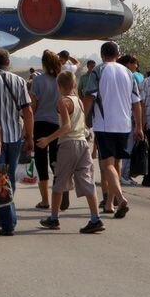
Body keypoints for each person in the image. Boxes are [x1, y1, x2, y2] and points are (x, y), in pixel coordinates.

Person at [37, 72, 104, 233]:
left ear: (59, 86)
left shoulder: (63, 102)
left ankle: (54, 217)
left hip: (68, 144)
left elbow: (66, 126)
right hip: (83, 143)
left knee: (59, 181)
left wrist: (48, 139)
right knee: (87, 181)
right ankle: (95, 217)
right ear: (74, 85)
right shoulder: (79, 102)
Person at [83, 41, 143, 219]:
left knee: (106, 164)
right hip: (124, 124)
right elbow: (137, 102)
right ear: (118, 54)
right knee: (117, 163)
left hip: (105, 124)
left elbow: (89, 97)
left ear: (102, 55)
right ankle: (109, 203)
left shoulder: (98, 71)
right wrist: (139, 126)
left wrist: (81, 119)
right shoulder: (128, 73)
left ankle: (121, 198)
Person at [0, 48, 33, 236]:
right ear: (8, 62)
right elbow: (27, 111)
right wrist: (30, 136)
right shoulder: (19, 80)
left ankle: (8, 221)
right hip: (14, 136)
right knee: (8, 177)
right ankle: (1, 213)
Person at [29, 50, 63, 210]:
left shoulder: (37, 80)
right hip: (57, 123)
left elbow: (33, 105)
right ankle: (60, 191)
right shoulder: (61, 80)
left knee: (41, 160)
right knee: (55, 160)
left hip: (40, 122)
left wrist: (27, 126)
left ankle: (45, 200)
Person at [119, 55, 145, 187]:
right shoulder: (131, 76)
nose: (136, 66)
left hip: (120, 117)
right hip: (129, 117)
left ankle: (123, 174)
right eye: (134, 63)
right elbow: (137, 102)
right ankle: (123, 174)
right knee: (127, 148)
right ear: (128, 64)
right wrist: (139, 123)